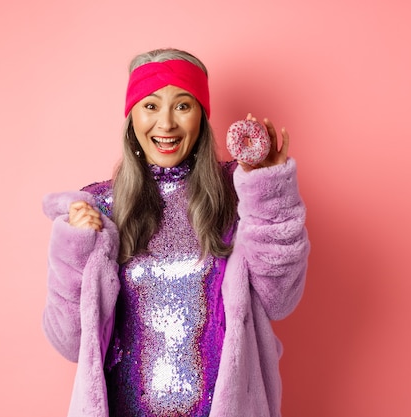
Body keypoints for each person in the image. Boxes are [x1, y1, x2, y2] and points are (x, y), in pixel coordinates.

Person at [42, 48, 310, 417]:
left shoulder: (238, 190)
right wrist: (76, 248)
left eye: (182, 105)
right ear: (131, 116)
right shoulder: (101, 206)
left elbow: (280, 298)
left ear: (201, 114)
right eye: (151, 106)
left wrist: (268, 189)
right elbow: (72, 342)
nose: (166, 124)